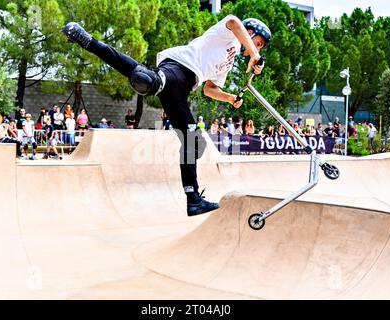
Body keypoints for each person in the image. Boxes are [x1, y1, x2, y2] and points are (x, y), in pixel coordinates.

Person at [63, 14, 271, 216]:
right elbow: (235, 22)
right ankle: (88, 41)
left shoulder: (229, 61)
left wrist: (230, 97)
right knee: (145, 80)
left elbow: (210, 89)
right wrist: (254, 55)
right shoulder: (230, 35)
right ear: (250, 32)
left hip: (183, 89)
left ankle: (193, 200)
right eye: (258, 43)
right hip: (178, 68)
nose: (257, 49)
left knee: (194, 142)